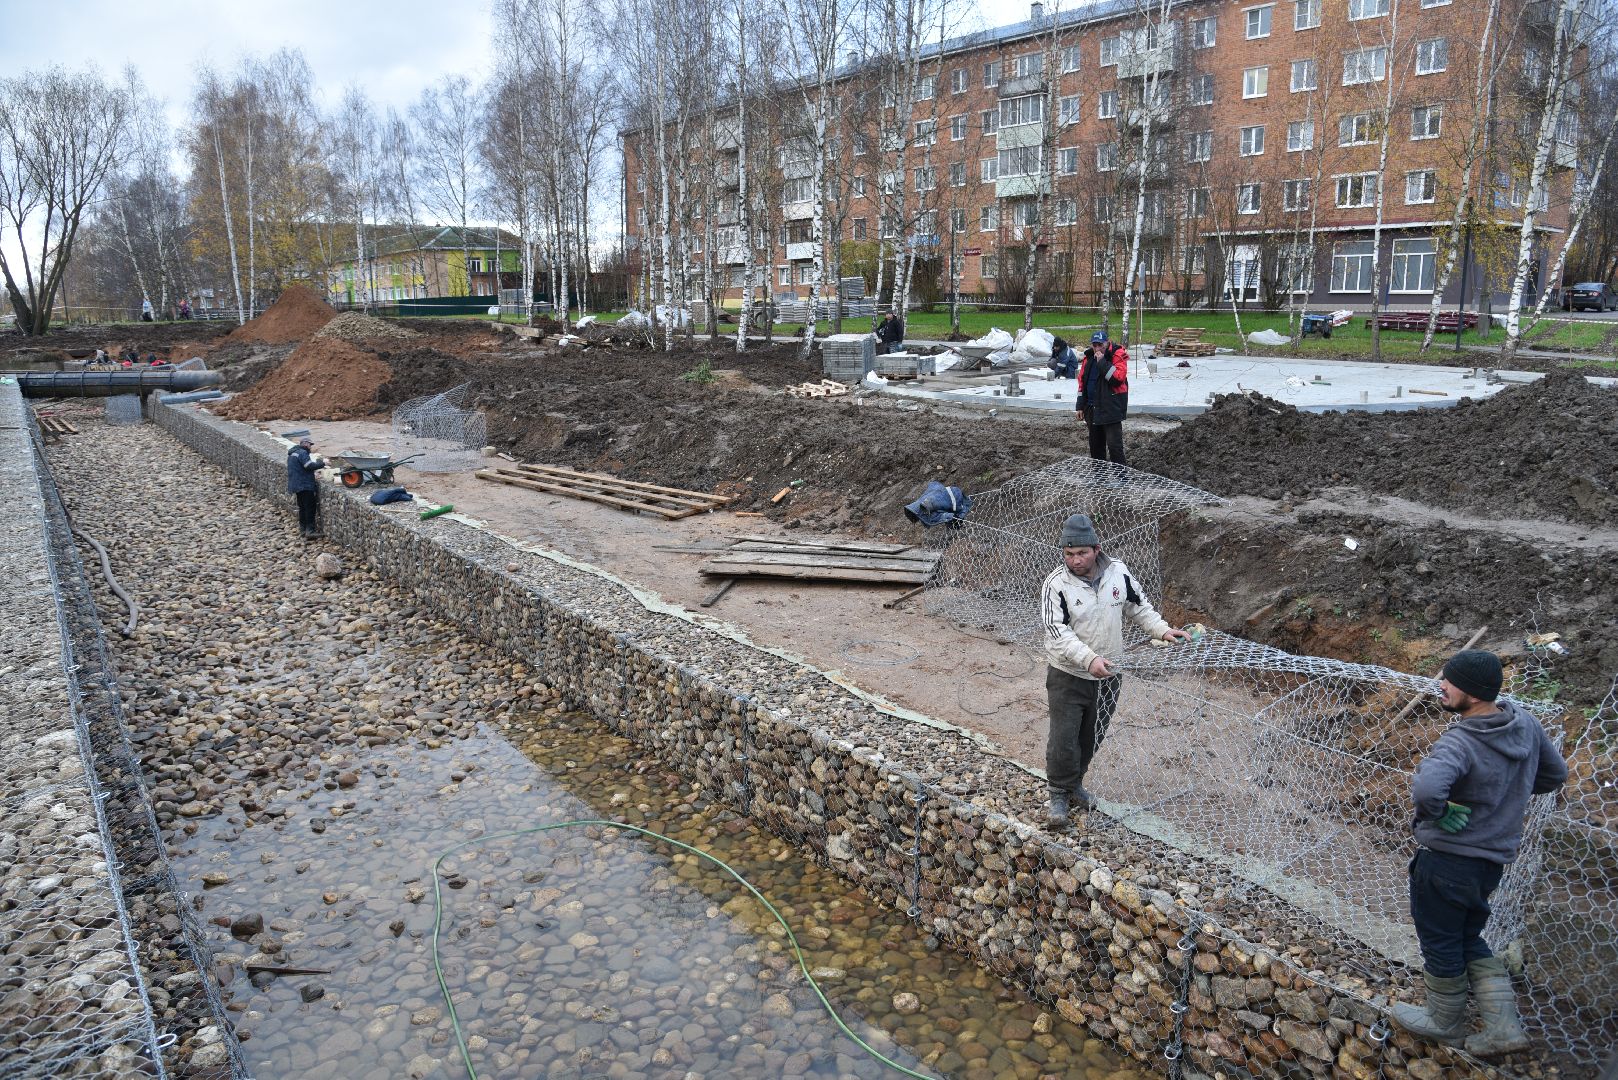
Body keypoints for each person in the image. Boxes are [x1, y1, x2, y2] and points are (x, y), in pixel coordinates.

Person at [1392, 650, 1567, 1056]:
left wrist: (1439, 810)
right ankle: (1503, 1027)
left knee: (1440, 940)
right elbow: (1555, 774)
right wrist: (1508, 793)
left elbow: (1426, 790)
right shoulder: (1523, 723)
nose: (1441, 685)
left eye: (1448, 682)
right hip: (1489, 864)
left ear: (1470, 692)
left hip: (1448, 861)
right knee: (1469, 935)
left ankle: (1443, 1021)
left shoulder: (1461, 740)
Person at [1040, 513, 1189, 827]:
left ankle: (1075, 785)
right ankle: (1058, 795)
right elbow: (1057, 631)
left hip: (1110, 672)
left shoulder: (1117, 572)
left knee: (1092, 734)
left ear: (1096, 549)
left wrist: (1162, 630)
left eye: (1081, 553)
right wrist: (1089, 659)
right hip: (1069, 674)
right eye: (1068, 554)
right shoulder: (1056, 585)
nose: (1075, 560)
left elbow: (1138, 606)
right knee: (1063, 738)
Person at [1075, 330, 1130, 466]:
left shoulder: (1117, 355)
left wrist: (1102, 363)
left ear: (1107, 343)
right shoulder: (1088, 358)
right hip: (1092, 408)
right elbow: (1082, 382)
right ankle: (1099, 478)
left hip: (1111, 407)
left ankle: (1121, 479)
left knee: (1114, 447)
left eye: (1100, 345)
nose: (1098, 348)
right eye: (1095, 345)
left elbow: (1118, 379)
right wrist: (1080, 406)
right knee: (1096, 446)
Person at [286, 437, 327, 539]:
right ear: (305, 444)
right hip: (305, 485)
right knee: (310, 507)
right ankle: (310, 531)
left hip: (295, 484)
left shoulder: (292, 454)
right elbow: (308, 466)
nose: (310, 447)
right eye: (310, 445)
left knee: (302, 507)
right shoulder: (303, 453)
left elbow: (298, 468)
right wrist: (322, 463)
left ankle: (303, 529)